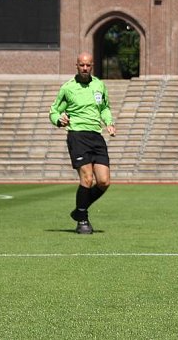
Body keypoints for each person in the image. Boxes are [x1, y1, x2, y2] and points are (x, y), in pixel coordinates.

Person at [49, 52, 116, 234]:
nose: (85, 68)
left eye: (88, 65)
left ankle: (79, 210)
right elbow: (54, 111)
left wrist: (109, 122)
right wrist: (59, 120)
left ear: (92, 66)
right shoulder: (68, 88)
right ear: (76, 66)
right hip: (77, 135)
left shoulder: (99, 85)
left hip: (96, 136)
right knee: (87, 178)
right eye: (82, 65)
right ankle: (83, 220)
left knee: (104, 181)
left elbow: (105, 108)